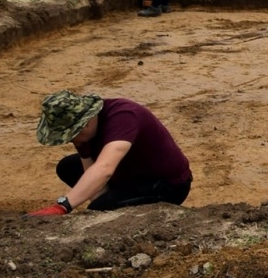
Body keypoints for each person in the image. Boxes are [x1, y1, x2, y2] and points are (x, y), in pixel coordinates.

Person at [29, 90, 192, 215]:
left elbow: (104, 168)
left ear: (84, 124)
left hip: (165, 184)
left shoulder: (123, 116)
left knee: (100, 207)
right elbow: (92, 170)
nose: (70, 141)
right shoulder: (84, 135)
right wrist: (102, 202)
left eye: (70, 135)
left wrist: (62, 206)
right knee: (67, 167)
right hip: (128, 172)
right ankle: (118, 201)